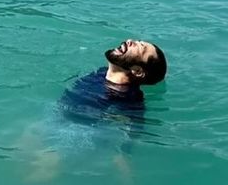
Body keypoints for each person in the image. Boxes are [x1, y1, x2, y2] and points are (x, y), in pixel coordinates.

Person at [24, 38, 167, 182]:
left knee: (42, 170)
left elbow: (135, 126)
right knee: (20, 147)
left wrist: (123, 153)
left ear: (137, 71)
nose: (131, 41)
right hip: (55, 114)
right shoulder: (100, 72)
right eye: (136, 41)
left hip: (76, 133)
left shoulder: (130, 97)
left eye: (140, 48)